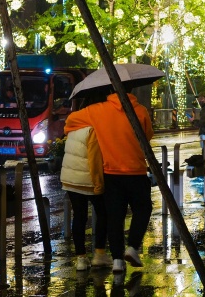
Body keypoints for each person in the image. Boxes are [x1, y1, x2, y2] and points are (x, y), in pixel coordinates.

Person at [65, 88, 154, 274]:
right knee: (143, 208)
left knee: (115, 217)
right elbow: (147, 136)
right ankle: (132, 247)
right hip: (136, 170)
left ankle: (117, 261)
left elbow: (70, 122)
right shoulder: (140, 110)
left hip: (111, 173)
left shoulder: (97, 110)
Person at [60, 91, 111, 271]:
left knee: (79, 217)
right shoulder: (93, 129)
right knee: (103, 213)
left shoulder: (74, 125)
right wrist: (99, 184)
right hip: (87, 179)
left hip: (70, 179)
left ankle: (81, 259)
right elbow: (94, 160)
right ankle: (99, 254)